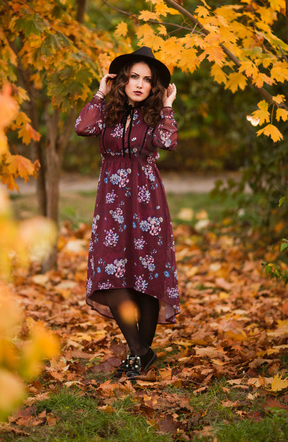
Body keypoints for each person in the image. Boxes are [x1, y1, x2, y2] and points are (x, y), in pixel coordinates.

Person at [75, 46, 180, 379]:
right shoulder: (107, 111)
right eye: (133, 76)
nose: (139, 84)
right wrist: (99, 92)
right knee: (111, 272)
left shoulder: (154, 116)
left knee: (145, 278)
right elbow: (82, 127)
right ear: (121, 80)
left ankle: (138, 359)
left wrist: (167, 107)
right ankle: (140, 350)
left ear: (154, 87)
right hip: (112, 202)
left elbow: (168, 141)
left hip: (147, 202)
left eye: (147, 80)